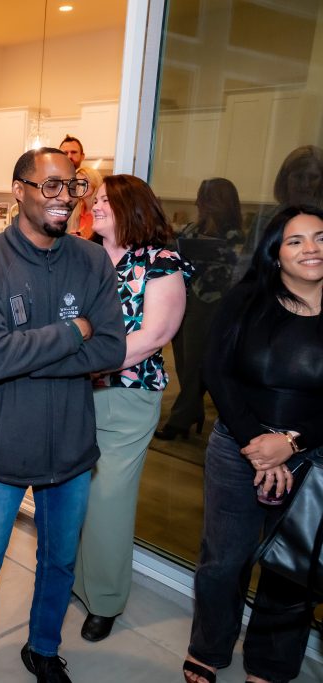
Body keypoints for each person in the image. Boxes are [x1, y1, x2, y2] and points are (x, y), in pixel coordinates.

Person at [0, 148, 125, 683]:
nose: (65, 198)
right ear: (19, 190)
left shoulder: (92, 262)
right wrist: (73, 332)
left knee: (59, 562)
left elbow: (111, 349)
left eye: (73, 186)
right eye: (52, 186)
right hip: (0, 449)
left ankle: (42, 648)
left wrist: (21, 355)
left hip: (72, 451)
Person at [182, 205, 323, 683]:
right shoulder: (246, 299)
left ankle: (269, 664)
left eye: (321, 237)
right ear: (276, 253)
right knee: (223, 560)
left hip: (313, 457)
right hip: (237, 447)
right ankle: (208, 646)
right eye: (296, 240)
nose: (312, 249)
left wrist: (291, 442)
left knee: (291, 571)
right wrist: (256, 443)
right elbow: (215, 372)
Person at [72, 175, 190, 642]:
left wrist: (85, 360)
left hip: (127, 392)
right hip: (73, 393)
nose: (95, 206)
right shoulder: (84, 255)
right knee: (72, 493)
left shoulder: (160, 261)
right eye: (94, 200)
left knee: (109, 501)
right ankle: (71, 581)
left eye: (104, 200)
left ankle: (103, 599)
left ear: (130, 207)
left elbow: (156, 335)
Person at [157, 178, 243, 441]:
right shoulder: (195, 227)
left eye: (203, 199)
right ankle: (192, 410)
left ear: (218, 203)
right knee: (183, 360)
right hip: (184, 298)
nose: (197, 203)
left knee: (195, 362)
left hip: (210, 303)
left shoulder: (234, 236)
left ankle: (181, 417)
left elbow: (235, 268)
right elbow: (175, 251)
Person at [66, 166, 102, 239]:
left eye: (85, 182)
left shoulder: (100, 212)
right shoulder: (75, 212)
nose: (80, 186)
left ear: (95, 183)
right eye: (77, 182)